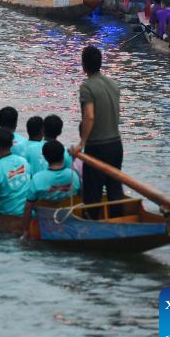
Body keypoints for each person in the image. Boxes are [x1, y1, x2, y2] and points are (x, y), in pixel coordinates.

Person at [72, 45, 124, 218]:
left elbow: (89, 116)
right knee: (114, 187)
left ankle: (92, 222)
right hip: (116, 145)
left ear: (83, 65)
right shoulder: (113, 84)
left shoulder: (86, 87)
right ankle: (119, 221)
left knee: (92, 191)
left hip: (98, 147)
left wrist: (82, 143)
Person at [22, 141, 81, 237]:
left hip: (45, 224)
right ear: (63, 155)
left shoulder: (37, 179)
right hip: (70, 222)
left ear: (45, 157)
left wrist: (25, 231)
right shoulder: (73, 175)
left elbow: (28, 207)